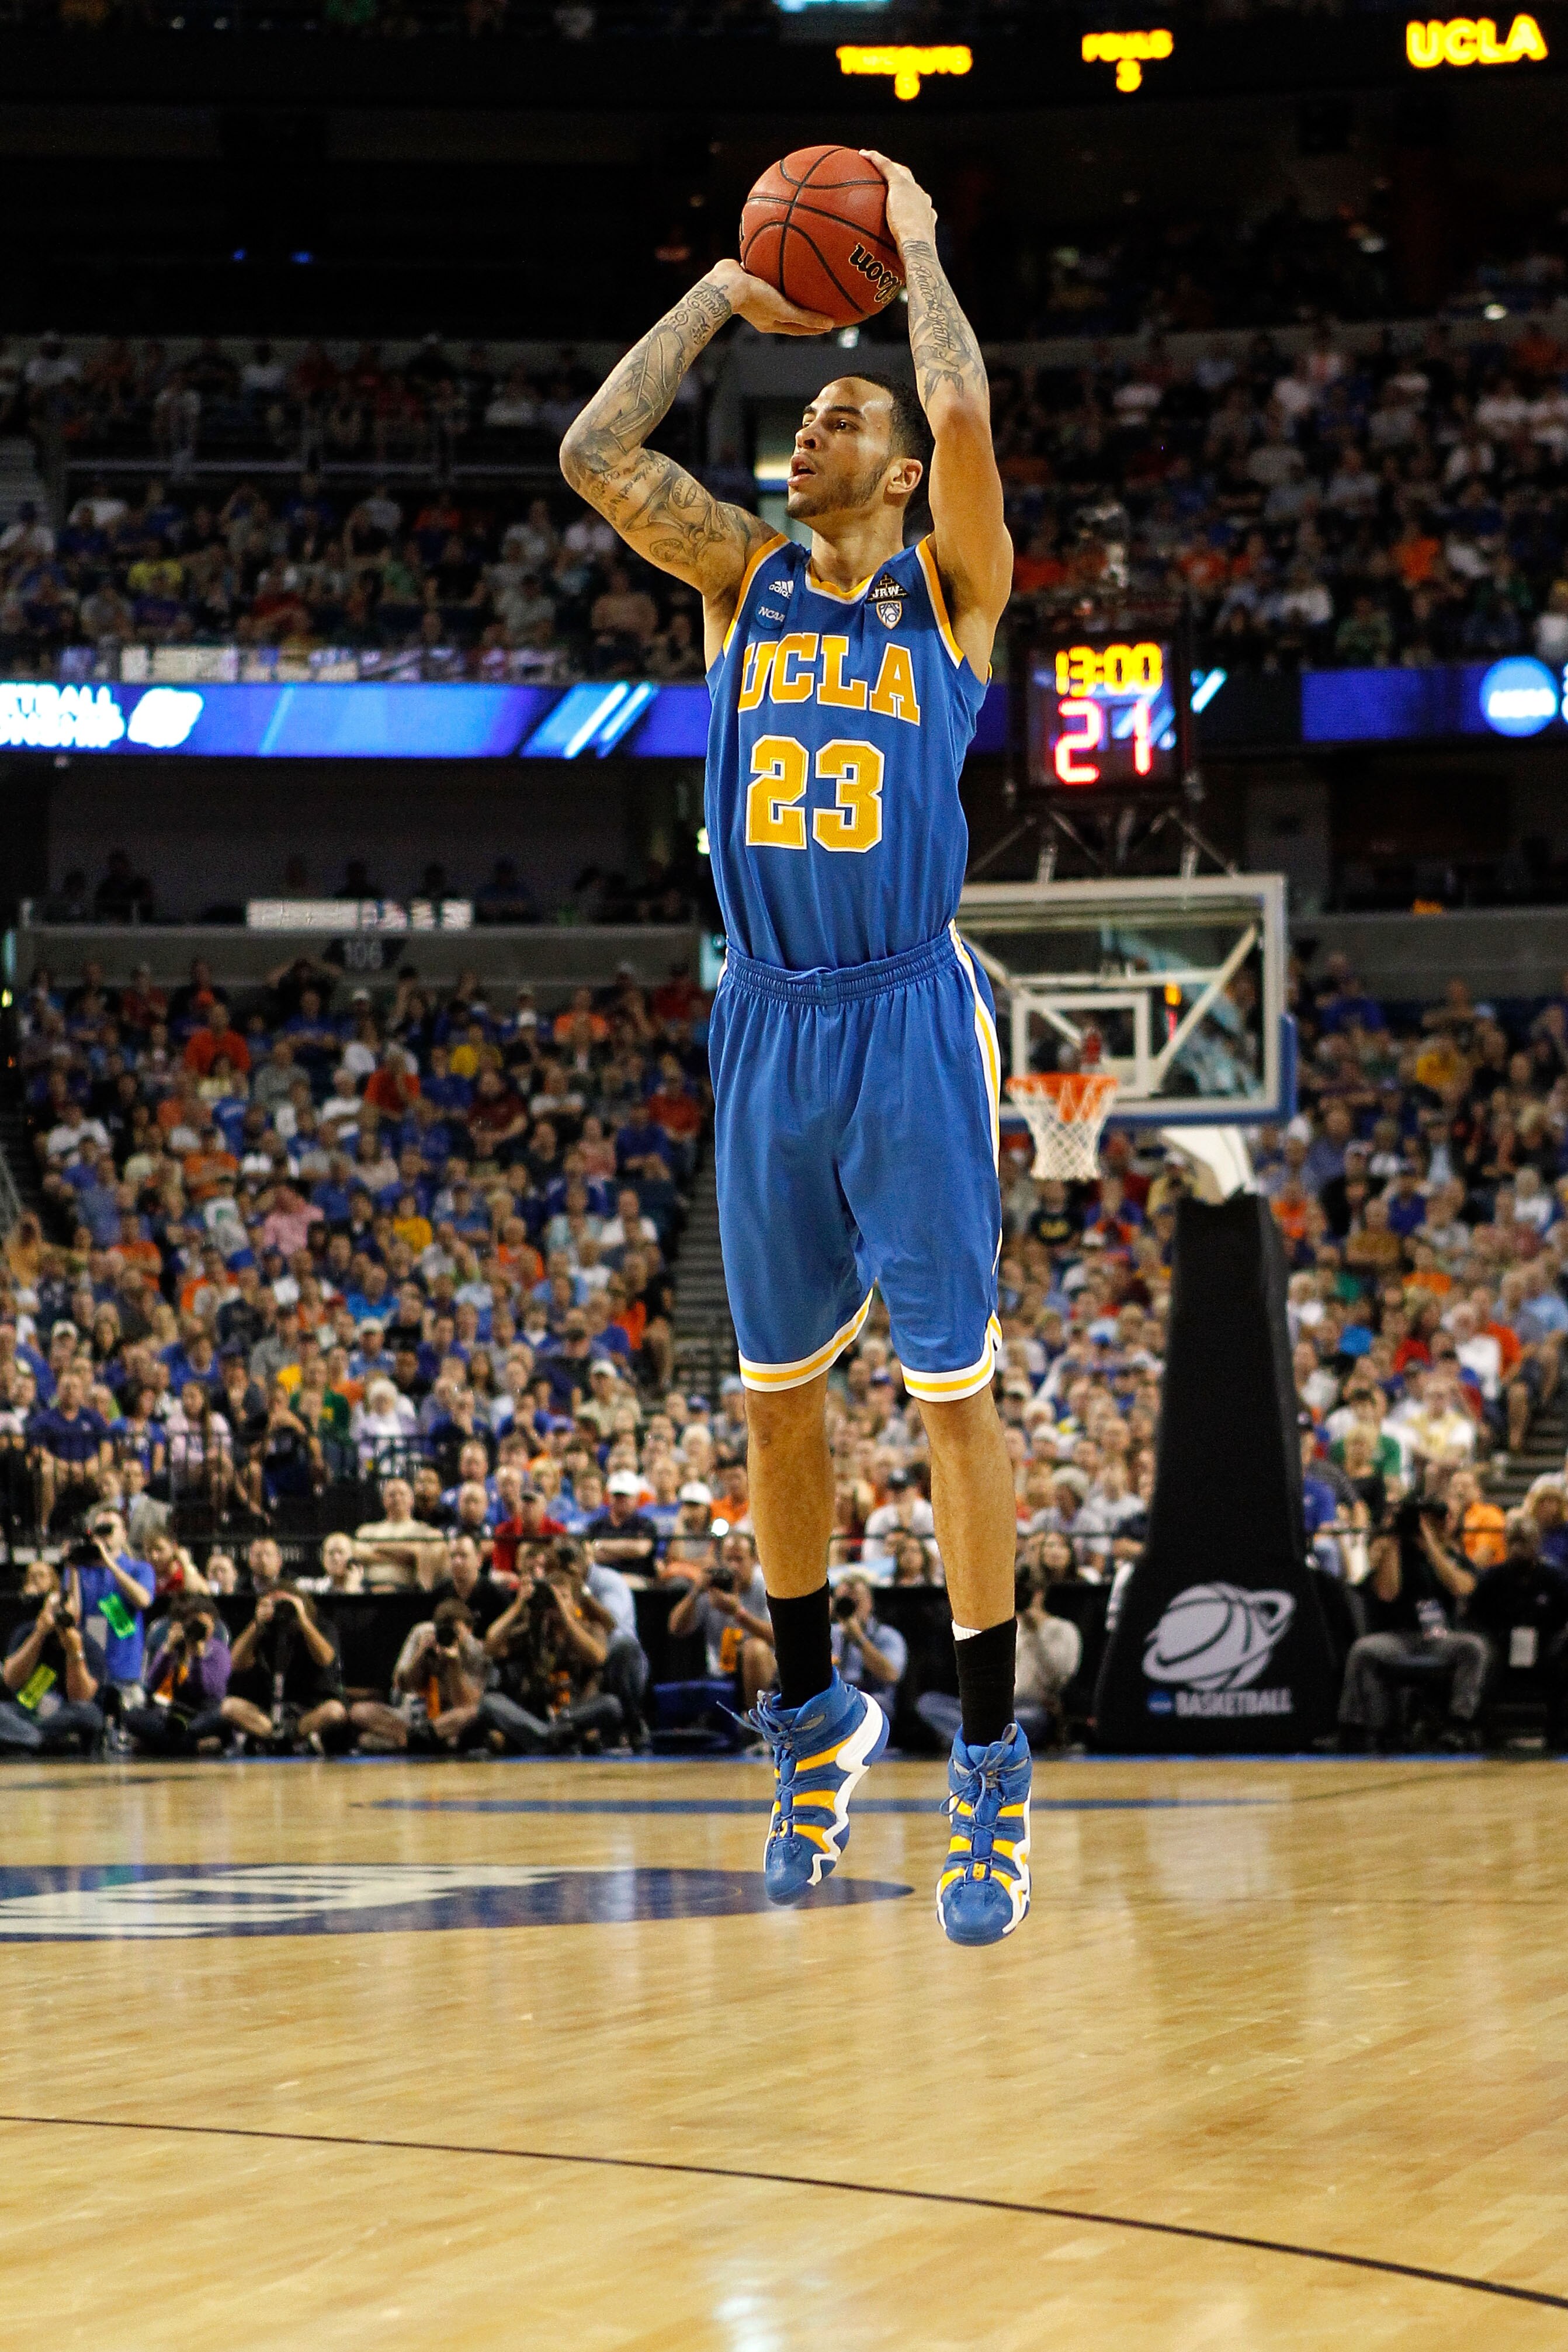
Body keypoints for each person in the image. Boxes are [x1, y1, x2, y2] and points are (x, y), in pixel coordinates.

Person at [561, 152, 1028, 1944]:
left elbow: (967, 401)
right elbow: (597, 458)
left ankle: (985, 1758)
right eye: (805, 411)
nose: (809, 427)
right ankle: (820, 1709)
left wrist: (911, 244)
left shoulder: (949, 592)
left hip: (906, 1009)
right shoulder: (737, 582)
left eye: (844, 413)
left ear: (898, 472)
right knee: (771, 1410)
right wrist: (720, 303)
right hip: (764, 1013)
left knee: (952, 1392)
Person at [1337, 1497, 1492, 1751]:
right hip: (1397, 1637)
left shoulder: (1451, 1555)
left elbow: (1460, 1587)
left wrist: (1431, 1546)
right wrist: (1394, 1546)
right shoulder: (1392, 1550)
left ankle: (1459, 1725)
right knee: (1363, 1650)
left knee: (1474, 1647)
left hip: (1439, 1637)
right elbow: (1388, 1593)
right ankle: (1356, 1727)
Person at [480, 1539, 625, 1753]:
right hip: (536, 1713)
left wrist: (566, 1617)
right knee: (489, 1703)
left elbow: (598, 1657)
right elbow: (491, 1646)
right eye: (552, 1598)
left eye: (563, 1597)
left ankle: (545, 1736)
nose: (555, 1603)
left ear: (576, 1604)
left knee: (611, 1704)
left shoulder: (591, 1628)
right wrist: (520, 1605)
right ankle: (549, 1735)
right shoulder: (534, 1628)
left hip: (574, 1712)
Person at [219, 1584, 351, 1754]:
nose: (282, 1610)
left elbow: (326, 1659)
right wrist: (257, 1623)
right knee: (229, 1707)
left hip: (309, 1708)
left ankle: (287, 1740)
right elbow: (235, 1663)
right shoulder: (261, 1629)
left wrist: (303, 1620)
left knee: (335, 1711)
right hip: (267, 1711)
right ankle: (281, 1739)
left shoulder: (321, 1626)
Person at [667, 1527, 778, 1712]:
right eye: (729, 1559)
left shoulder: (766, 1585)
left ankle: (759, 1726)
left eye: (740, 1559)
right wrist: (695, 1592)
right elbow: (675, 1628)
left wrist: (739, 1615)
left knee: (754, 1649)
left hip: (768, 1669)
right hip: (722, 1670)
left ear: (754, 1560)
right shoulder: (714, 1586)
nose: (734, 1567)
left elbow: (781, 1637)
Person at [1, 1561, 106, 1756]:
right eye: (54, 1611)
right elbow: (11, 1680)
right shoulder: (27, 1632)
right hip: (26, 1710)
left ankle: (27, 1738)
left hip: (64, 1713)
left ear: (76, 1617)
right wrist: (39, 1635)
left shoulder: (88, 1643)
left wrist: (75, 1654)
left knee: (90, 1714)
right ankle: (37, 1739)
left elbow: (81, 1698)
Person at [125, 1595, 232, 1754]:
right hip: (171, 1713)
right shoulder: (173, 1650)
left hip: (203, 1713)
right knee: (133, 1717)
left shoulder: (218, 1650)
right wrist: (167, 1648)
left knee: (221, 1720)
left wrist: (198, 1658)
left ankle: (161, 1746)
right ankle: (193, 1747)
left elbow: (210, 1692)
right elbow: (153, 1686)